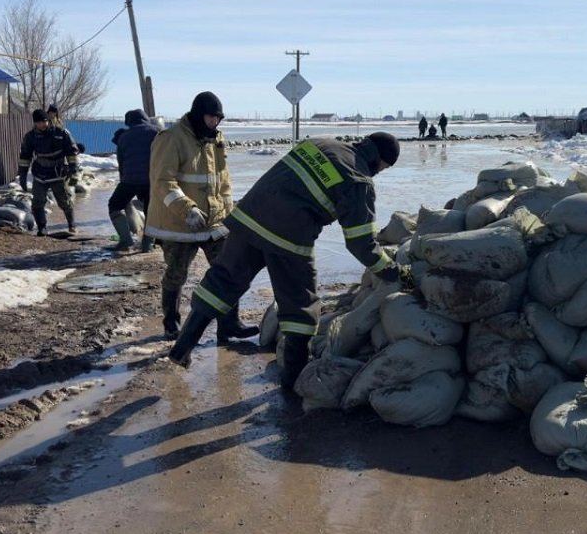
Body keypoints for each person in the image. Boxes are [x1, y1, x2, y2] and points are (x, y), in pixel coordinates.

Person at [166, 132, 402, 387]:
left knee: (221, 282)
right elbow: (361, 243)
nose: (380, 172)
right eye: (385, 168)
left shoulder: (319, 143)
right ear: (380, 160)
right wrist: (395, 272)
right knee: (300, 306)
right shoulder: (359, 180)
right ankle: (294, 380)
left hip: (249, 217)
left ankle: (182, 347)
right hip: (289, 239)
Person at [145, 92, 258, 343]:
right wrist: (187, 209)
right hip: (178, 223)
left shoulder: (215, 139)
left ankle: (229, 325)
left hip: (214, 221)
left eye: (218, 119)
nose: (214, 124)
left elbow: (222, 181)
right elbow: (163, 181)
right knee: (177, 273)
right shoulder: (171, 138)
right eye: (210, 118)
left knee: (229, 271)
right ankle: (171, 325)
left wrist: (229, 214)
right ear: (198, 115)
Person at [18, 108, 79, 236]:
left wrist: (74, 171)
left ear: (48, 120)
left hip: (58, 173)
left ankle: (71, 224)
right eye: (39, 122)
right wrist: (22, 175)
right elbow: (25, 156)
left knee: (64, 201)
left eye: (44, 121)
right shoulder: (30, 137)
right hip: (40, 173)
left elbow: (72, 152)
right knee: (37, 203)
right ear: (35, 123)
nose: (42, 125)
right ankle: (42, 227)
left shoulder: (61, 133)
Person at [108, 109, 159, 251]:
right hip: (151, 180)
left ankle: (126, 241)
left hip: (130, 180)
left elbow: (121, 163)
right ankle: (148, 245)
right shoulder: (157, 132)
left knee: (115, 205)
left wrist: (124, 182)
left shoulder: (124, 136)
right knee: (152, 211)